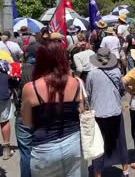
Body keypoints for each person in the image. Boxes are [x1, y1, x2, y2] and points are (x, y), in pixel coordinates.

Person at [21, 40, 87, 177]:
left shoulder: (30, 88)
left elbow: (27, 123)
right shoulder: (76, 83)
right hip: (74, 144)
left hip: (45, 149)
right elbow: (82, 111)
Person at [0, 29, 39, 176]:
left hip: (23, 114)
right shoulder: (48, 69)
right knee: (44, 149)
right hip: (45, 113)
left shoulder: (17, 68)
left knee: (26, 152)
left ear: (26, 55)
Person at [86, 48, 130, 177]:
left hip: (98, 113)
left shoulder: (92, 74)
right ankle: (126, 170)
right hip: (115, 111)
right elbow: (122, 89)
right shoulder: (116, 72)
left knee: (98, 144)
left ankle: (98, 173)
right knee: (120, 140)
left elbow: (88, 94)